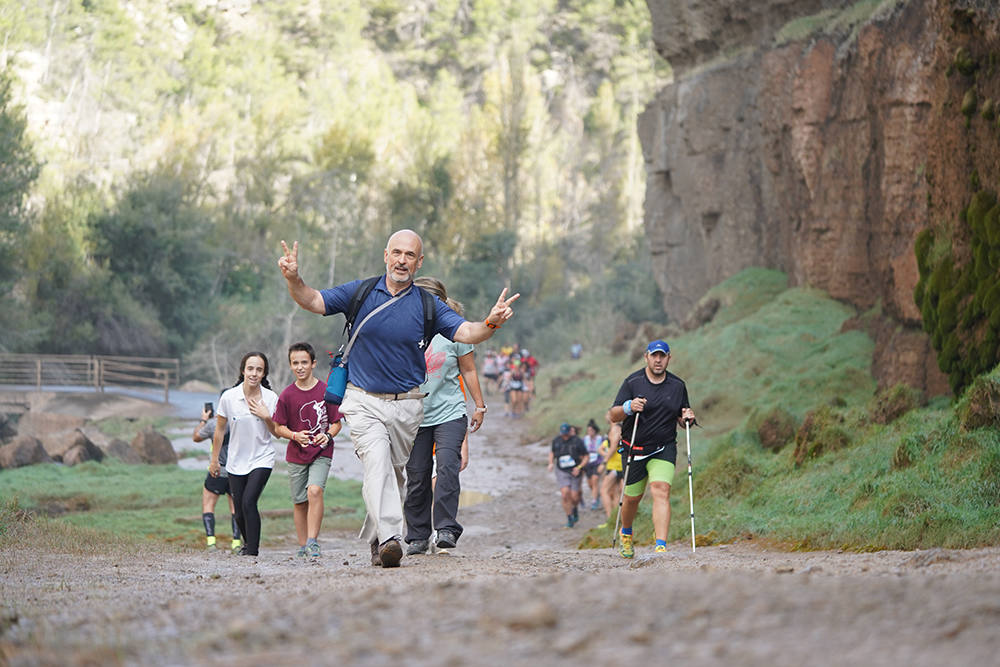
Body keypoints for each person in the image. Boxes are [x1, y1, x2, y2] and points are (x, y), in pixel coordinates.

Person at [277, 229, 518, 568]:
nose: (402, 260)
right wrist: (294, 278)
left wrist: (491, 323)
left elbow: (467, 332)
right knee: (376, 463)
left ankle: (378, 539)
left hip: (407, 404)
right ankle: (392, 538)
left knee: (394, 476)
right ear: (386, 255)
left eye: (410, 255)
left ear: (419, 263)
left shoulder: (427, 305)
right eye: (397, 253)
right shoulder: (360, 292)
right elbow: (313, 301)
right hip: (362, 399)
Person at [403, 277, 486, 555]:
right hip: (413, 414)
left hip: (449, 411)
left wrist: (479, 404)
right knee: (417, 474)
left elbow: (469, 370)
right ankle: (417, 535)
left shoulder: (456, 330)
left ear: (438, 303)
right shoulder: (402, 329)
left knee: (448, 467)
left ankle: (446, 529)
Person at [608, 340, 696, 558]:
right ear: (646, 357)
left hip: (663, 447)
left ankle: (660, 546)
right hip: (634, 448)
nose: (658, 360)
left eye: (662, 356)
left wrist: (688, 419)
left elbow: (682, 417)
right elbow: (613, 415)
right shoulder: (633, 382)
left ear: (669, 358)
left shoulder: (677, 386)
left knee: (660, 489)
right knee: (631, 499)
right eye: (654, 356)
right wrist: (629, 407)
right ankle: (626, 533)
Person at [263, 342, 343, 559]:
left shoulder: (326, 391)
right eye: (295, 363)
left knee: (314, 491)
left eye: (304, 362)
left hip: (321, 452)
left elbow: (337, 423)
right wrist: (295, 436)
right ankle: (302, 545)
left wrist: (327, 435)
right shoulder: (287, 395)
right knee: (299, 501)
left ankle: (313, 541)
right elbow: (279, 428)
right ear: (290, 365)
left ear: (313, 364)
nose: (300, 367)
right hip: (296, 454)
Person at [209, 352, 279, 558]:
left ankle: (252, 551)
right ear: (243, 370)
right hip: (235, 460)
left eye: (259, 369)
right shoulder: (229, 397)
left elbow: (276, 432)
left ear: (264, 372)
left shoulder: (271, 398)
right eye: (250, 368)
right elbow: (220, 430)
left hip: (262, 457)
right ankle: (248, 545)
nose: (254, 373)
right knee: (238, 511)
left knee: (249, 501)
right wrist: (214, 460)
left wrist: (266, 416)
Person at [192, 403, 242, 552]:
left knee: (208, 505)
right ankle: (236, 543)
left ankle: (211, 542)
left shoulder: (213, 424)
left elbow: (196, 437)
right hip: (236, 471)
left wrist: (204, 420)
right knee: (235, 508)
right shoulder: (241, 422)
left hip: (217, 470)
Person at [546, 422, 589, 527]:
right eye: (563, 434)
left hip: (575, 471)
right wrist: (551, 463)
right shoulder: (556, 441)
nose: (564, 436)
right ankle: (569, 517)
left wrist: (579, 468)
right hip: (561, 470)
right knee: (565, 494)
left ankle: (574, 509)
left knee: (574, 496)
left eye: (566, 434)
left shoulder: (577, 441)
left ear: (570, 432)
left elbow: (586, 456)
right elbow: (552, 452)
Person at [597, 417, 623, 528]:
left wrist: (604, 462)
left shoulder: (615, 429)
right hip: (619, 464)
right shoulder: (619, 428)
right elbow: (601, 448)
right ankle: (617, 520)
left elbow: (613, 447)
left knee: (604, 491)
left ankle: (610, 519)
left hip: (614, 466)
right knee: (616, 492)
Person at [581, 419, 604, 511]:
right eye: (588, 430)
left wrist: (602, 463)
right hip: (587, 464)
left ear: (595, 431)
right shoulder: (584, 440)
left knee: (595, 480)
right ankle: (596, 496)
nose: (590, 432)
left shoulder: (601, 439)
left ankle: (594, 501)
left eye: (591, 430)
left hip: (597, 463)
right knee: (590, 483)